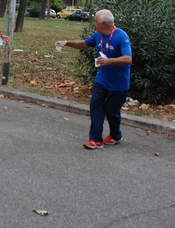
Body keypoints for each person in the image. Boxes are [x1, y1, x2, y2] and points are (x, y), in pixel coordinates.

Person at [55, 9, 132, 149]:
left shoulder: (121, 36)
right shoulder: (98, 35)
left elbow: (128, 59)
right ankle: (95, 139)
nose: (93, 24)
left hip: (118, 85)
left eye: (95, 21)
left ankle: (115, 135)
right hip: (102, 80)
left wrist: (109, 61)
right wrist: (67, 42)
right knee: (95, 105)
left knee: (111, 112)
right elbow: (84, 43)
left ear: (103, 24)